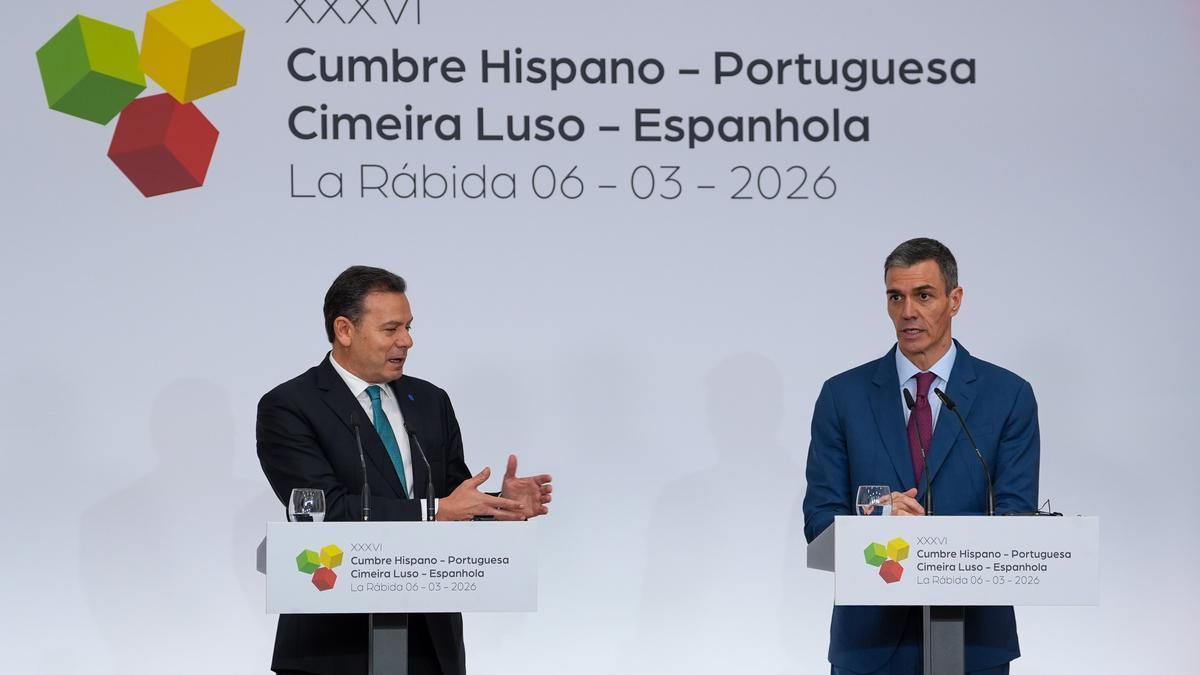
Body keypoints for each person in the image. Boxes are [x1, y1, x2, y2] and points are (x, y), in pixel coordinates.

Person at [257, 265, 553, 675]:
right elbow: (324, 511)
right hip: (332, 645)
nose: (407, 341)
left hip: (430, 643)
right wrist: (435, 511)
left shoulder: (430, 401)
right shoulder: (291, 405)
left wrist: (501, 506)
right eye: (391, 329)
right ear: (344, 330)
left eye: (409, 327)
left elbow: (454, 502)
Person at [802, 238, 1039, 675]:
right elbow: (818, 522)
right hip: (869, 645)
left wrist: (931, 540)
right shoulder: (842, 396)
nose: (908, 311)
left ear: (955, 300)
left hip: (974, 643)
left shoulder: (1008, 395)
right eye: (896, 297)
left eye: (923, 296)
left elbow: (1017, 520)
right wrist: (879, 519)